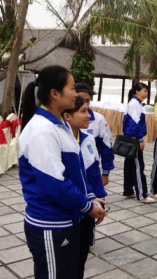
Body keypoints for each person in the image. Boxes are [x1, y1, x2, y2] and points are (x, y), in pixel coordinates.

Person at [19, 65, 107, 279]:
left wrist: (90, 198)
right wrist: (87, 207)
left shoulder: (61, 125)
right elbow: (55, 184)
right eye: (71, 87)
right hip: (50, 225)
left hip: (67, 221)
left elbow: (76, 173)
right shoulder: (42, 130)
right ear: (55, 94)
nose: (76, 94)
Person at [62, 96, 107, 279]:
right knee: (68, 265)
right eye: (83, 111)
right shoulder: (61, 142)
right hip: (74, 209)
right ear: (67, 116)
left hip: (89, 204)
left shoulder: (87, 138)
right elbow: (65, 181)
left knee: (81, 259)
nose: (89, 116)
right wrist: (88, 203)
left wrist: (98, 197)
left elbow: (92, 172)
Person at [122, 82, 156, 203]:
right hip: (134, 139)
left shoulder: (133, 103)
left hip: (130, 138)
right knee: (138, 166)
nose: (146, 93)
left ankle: (128, 190)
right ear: (137, 91)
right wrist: (140, 140)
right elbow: (133, 124)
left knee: (129, 165)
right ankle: (142, 195)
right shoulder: (135, 104)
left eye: (147, 91)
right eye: (144, 91)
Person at [75, 83, 115, 186]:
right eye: (80, 99)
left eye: (87, 100)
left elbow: (107, 147)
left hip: (92, 171)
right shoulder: (65, 119)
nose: (85, 104)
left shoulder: (99, 119)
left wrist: (105, 173)